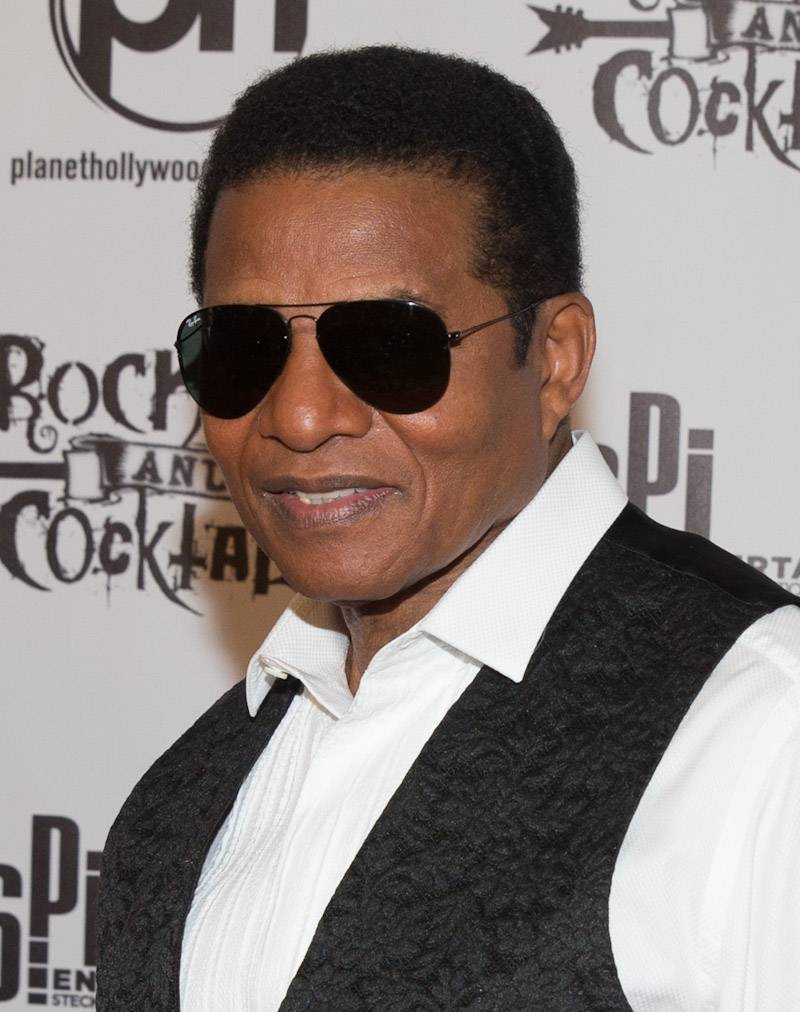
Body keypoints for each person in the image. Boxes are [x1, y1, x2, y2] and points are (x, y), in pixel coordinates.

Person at [96, 46, 800, 1011]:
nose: (300, 415)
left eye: (389, 344)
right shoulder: (182, 803)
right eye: (244, 346)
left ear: (554, 359)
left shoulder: (762, 735)